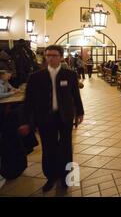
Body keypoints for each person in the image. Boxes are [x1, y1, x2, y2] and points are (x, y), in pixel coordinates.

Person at [19, 45, 84, 192]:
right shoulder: (36, 77)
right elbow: (28, 101)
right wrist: (25, 121)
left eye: (54, 55)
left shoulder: (70, 75)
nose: (50, 58)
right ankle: (51, 177)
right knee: (49, 149)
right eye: (48, 55)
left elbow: (75, 96)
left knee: (66, 148)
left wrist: (80, 113)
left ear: (61, 57)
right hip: (45, 118)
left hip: (65, 117)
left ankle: (65, 178)